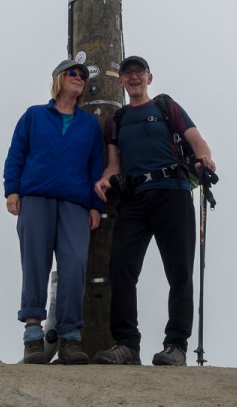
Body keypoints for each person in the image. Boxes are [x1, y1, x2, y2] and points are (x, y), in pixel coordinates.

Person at [92, 56, 216, 367]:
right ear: (120, 81)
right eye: (128, 73)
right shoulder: (116, 121)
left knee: (179, 270)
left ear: (149, 77)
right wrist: (105, 180)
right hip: (134, 198)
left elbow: (196, 141)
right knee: (121, 266)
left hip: (172, 192)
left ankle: (176, 345)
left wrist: (204, 159)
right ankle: (126, 344)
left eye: (139, 72)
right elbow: (114, 165)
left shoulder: (166, 107)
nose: (134, 77)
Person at [3, 59, 105, 364]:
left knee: (75, 262)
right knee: (35, 263)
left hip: (75, 203)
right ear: (59, 79)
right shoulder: (34, 116)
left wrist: (95, 205)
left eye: (83, 76)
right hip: (35, 198)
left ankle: (70, 337)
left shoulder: (89, 125)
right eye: (73, 73)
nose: (79, 78)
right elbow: (16, 154)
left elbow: (96, 166)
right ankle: (33, 336)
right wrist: (12, 190)